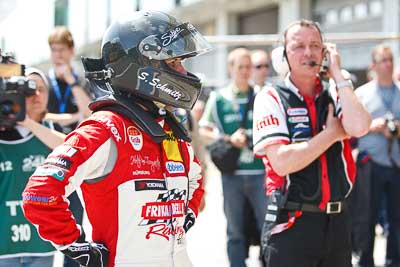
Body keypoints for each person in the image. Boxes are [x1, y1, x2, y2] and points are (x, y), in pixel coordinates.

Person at [22, 10, 210, 267]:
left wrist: (185, 215)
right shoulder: (105, 129)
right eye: (175, 63)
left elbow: (195, 180)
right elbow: (39, 193)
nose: (185, 72)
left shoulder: (169, 130)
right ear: (145, 68)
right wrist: (77, 247)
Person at [252, 19, 371, 267]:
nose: (308, 52)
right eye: (298, 46)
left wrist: (338, 74)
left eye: (315, 45)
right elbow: (282, 162)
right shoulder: (270, 96)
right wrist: (331, 134)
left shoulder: (337, 89)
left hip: (338, 222)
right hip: (291, 223)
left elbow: (360, 126)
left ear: (325, 52)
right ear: (284, 54)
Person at [199, 47, 267, 267]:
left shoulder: (262, 95)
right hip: (233, 175)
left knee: (268, 229)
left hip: (260, 173)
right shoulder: (219, 98)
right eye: (241, 67)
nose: (246, 71)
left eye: (249, 67)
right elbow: (203, 131)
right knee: (235, 230)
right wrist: (228, 138)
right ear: (231, 68)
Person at [0, 65, 66, 267]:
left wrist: (27, 122)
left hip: (40, 242)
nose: (36, 95)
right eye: (29, 90)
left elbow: (74, 150)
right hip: (4, 245)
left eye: (41, 88)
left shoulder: (49, 131)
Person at [45, 26, 92, 267]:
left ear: (71, 51)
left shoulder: (81, 80)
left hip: (73, 159)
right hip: (46, 155)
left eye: (61, 50)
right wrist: (67, 118)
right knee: (45, 220)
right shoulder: (43, 81)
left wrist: (73, 82)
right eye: (53, 50)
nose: (57, 55)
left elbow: (88, 112)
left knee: (74, 224)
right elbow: (37, 116)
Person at [355, 44, 400, 267]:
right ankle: (365, 262)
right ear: (373, 65)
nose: (388, 64)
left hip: (396, 164)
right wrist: (373, 126)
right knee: (366, 219)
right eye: (383, 60)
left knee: (397, 220)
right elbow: (352, 128)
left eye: (390, 59)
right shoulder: (362, 93)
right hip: (369, 164)